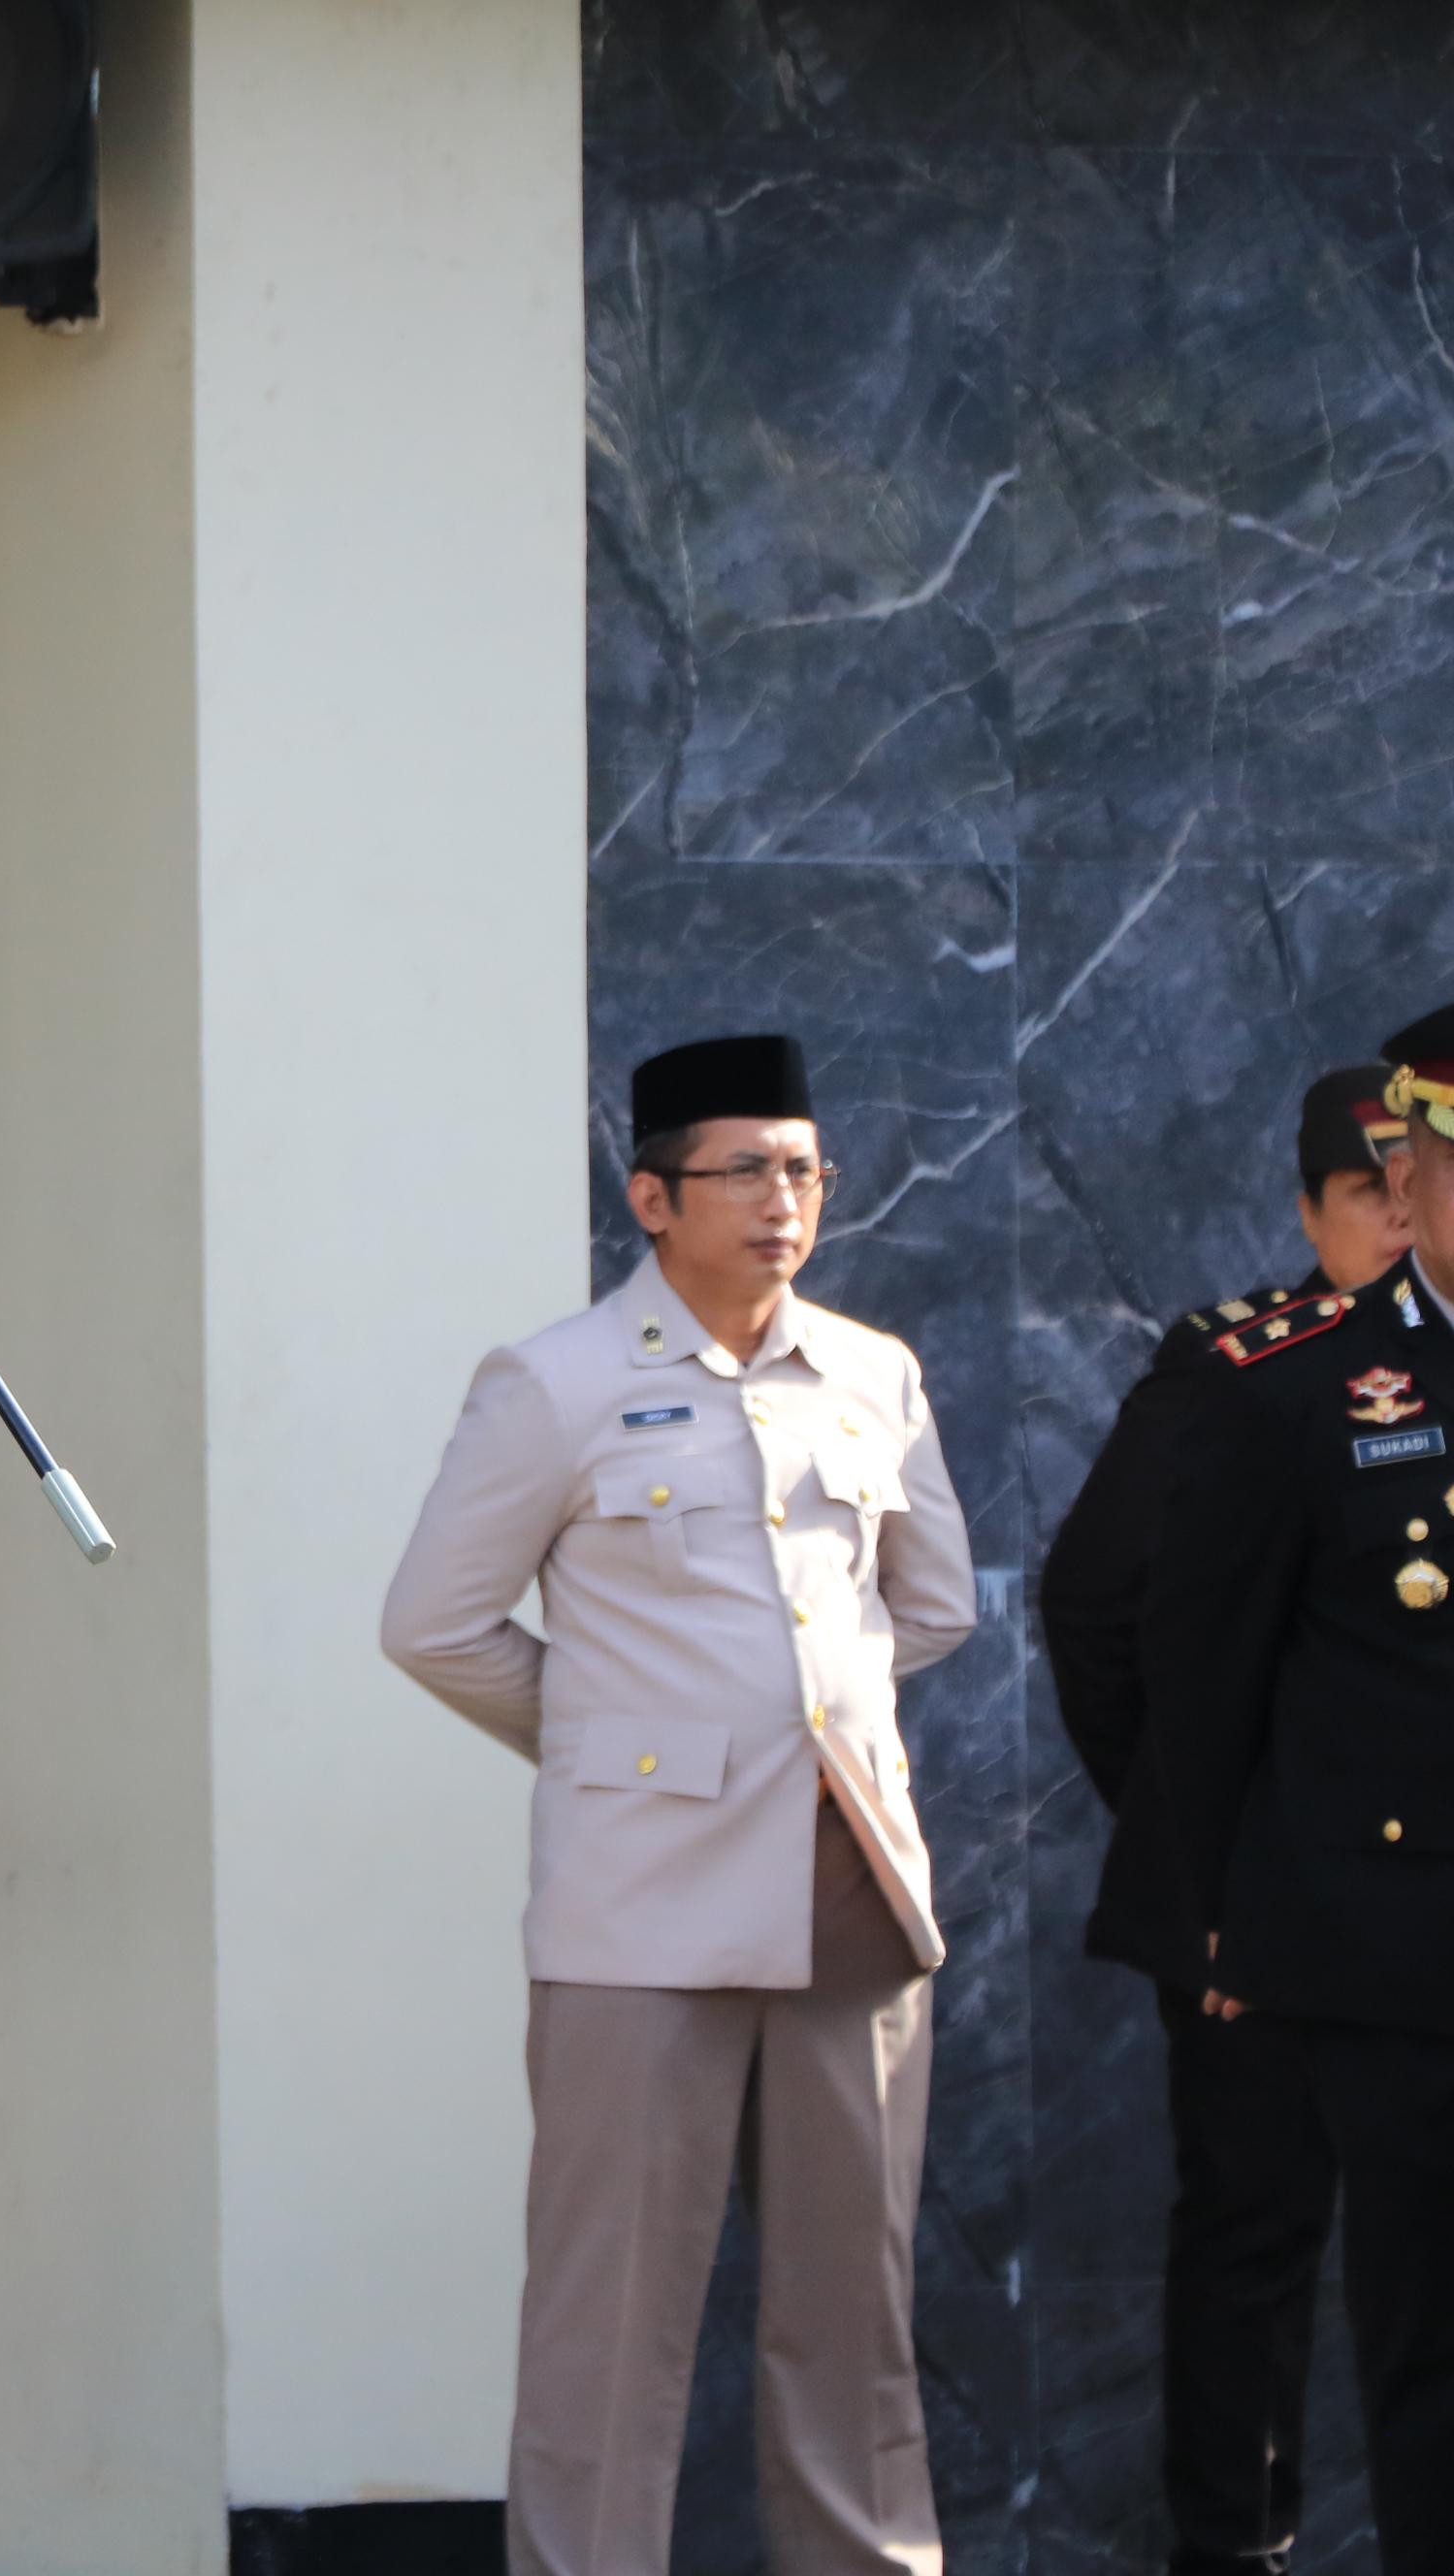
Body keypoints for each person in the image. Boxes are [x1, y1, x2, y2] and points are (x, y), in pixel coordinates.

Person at [378, 1032, 977, 2576]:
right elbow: (435, 1623)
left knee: (856, 2328)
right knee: (611, 2328)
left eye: (805, 1169)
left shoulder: (873, 1372)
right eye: (746, 1171)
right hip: (639, 1909)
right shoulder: (557, 1382)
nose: (784, 1200)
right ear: (653, 1197)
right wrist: (629, 1748)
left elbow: (933, 1608)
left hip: (850, 1893)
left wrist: (796, 1745)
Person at [1039, 1066, 1410, 2576]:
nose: (1407, 1223)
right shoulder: (1241, 1371)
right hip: (1267, 1912)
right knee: (1256, 2242)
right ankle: (1231, 2551)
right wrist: (1217, 1854)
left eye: (1426, 1189)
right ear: (1310, 1211)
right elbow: (1097, 1611)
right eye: (1373, 1196)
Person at [1144, 1007, 1454, 2576]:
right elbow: (1200, 1693)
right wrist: (1223, 1931)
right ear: (1412, 1173)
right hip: (1397, 1964)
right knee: (1433, 2367)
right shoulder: (1291, 1386)